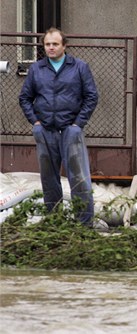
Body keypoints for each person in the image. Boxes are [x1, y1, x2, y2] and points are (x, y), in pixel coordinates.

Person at [19, 27, 98, 226]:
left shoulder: (79, 67)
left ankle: (84, 224)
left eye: (55, 44)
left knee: (79, 177)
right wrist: (36, 123)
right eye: (47, 44)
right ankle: (54, 221)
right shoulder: (37, 69)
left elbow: (91, 96)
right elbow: (25, 98)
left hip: (70, 130)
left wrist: (77, 124)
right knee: (49, 178)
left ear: (64, 45)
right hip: (45, 131)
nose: (51, 48)